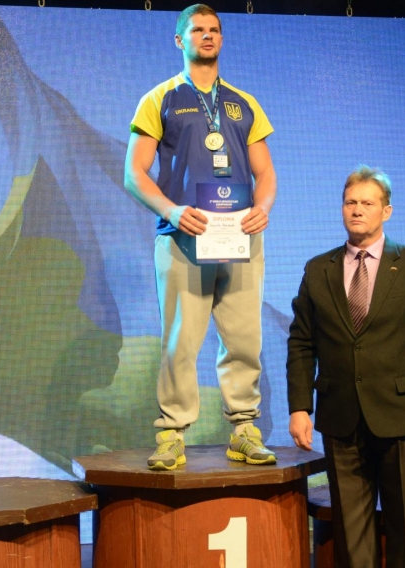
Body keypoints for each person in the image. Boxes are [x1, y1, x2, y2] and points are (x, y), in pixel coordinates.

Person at [287, 166, 405, 568]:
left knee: (404, 525)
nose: (356, 210)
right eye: (350, 202)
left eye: (366, 203)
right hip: (340, 417)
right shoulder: (318, 269)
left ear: (387, 211)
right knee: (350, 530)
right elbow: (302, 342)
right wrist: (300, 406)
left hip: (402, 418)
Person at [124, 4, 278, 471]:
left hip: (238, 238)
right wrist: (171, 209)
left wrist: (263, 209)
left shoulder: (244, 102)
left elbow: (266, 171)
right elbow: (134, 173)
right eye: (197, 30)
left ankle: (244, 430)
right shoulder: (160, 98)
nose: (207, 36)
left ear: (222, 39)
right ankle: (172, 434)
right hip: (184, 238)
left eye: (214, 30)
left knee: (243, 338)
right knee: (180, 341)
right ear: (180, 40)